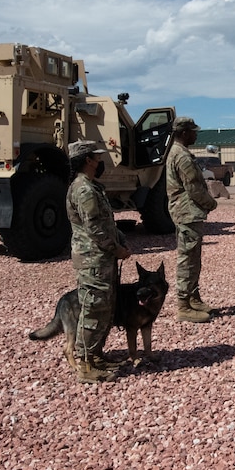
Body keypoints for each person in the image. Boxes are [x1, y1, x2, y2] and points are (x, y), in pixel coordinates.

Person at [66, 140, 132, 384]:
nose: (101, 161)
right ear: (88, 160)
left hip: (101, 258)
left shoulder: (92, 186)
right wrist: (116, 250)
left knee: (104, 308)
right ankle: (85, 364)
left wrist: (120, 240)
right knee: (93, 309)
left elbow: (106, 223)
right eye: (97, 157)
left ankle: (95, 356)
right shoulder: (83, 190)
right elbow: (95, 228)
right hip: (93, 259)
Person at [166, 116, 218, 323]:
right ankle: (183, 305)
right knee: (188, 259)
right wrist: (211, 203)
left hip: (187, 213)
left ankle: (193, 298)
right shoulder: (182, 156)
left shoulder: (178, 152)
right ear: (184, 132)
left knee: (194, 257)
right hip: (187, 213)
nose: (196, 134)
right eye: (193, 131)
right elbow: (194, 188)